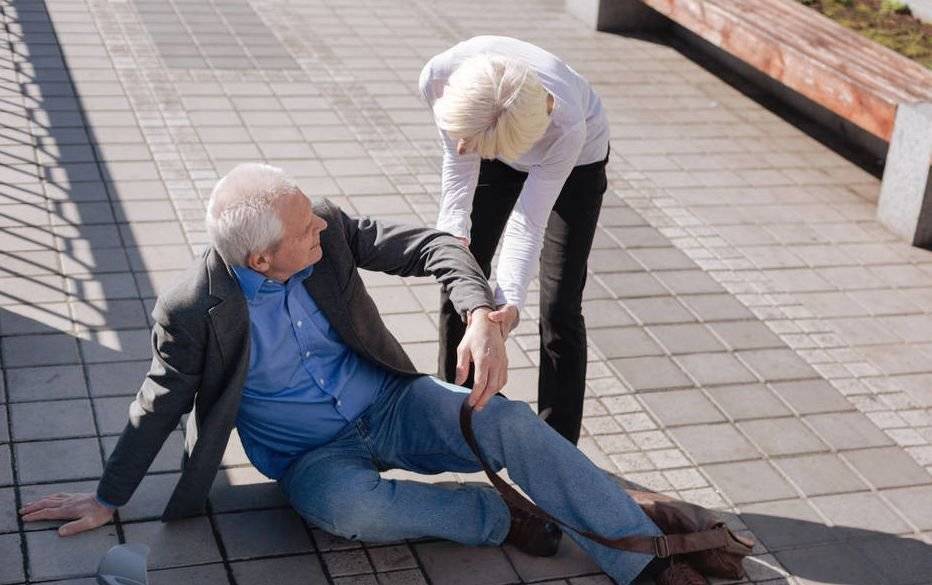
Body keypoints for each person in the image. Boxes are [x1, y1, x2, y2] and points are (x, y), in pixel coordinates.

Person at [18, 164, 691, 585]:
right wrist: (108, 497)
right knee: (350, 509)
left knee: (504, 417)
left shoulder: (329, 227)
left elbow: (434, 246)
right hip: (310, 453)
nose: (321, 229)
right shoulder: (194, 308)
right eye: (304, 231)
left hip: (394, 400)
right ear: (261, 258)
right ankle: (498, 514)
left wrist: (481, 314)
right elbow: (157, 401)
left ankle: (645, 552)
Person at [421, 36, 610, 445]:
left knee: (559, 306)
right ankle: (458, 412)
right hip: (490, 131)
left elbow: (528, 223)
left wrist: (507, 306)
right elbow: (457, 183)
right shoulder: (440, 77)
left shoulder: (568, 124)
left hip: (575, 163)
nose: (458, 145)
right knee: (462, 272)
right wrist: (456, 253)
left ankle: (556, 444)